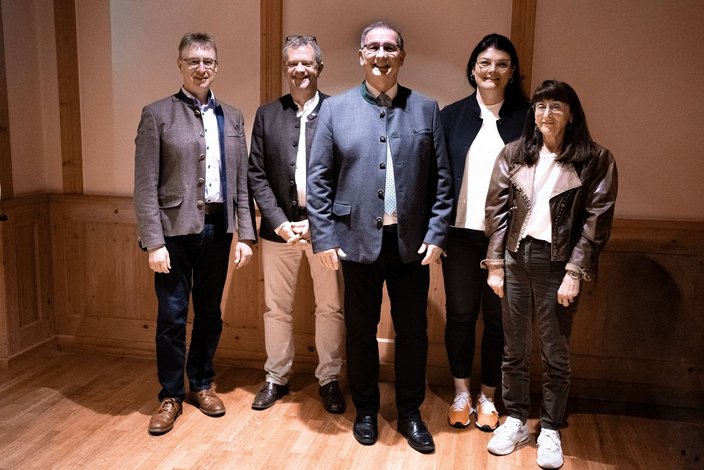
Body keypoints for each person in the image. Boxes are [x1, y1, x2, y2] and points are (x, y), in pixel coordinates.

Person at [307, 21, 452, 454]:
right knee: (359, 331)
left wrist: (437, 233)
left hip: (412, 245)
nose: (381, 55)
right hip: (354, 242)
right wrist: (324, 238)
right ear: (361, 56)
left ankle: (410, 413)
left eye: (390, 48)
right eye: (373, 48)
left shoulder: (426, 109)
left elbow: (442, 181)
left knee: (413, 334)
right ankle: (366, 409)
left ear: (401, 56)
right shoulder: (335, 110)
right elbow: (318, 180)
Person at [483, 80, 618, 469]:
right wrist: (495, 264)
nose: (546, 114)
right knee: (514, 348)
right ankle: (515, 420)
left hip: (557, 263)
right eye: (540, 107)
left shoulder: (595, 159)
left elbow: (596, 221)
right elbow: (496, 212)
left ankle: (551, 428)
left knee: (555, 350)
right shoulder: (514, 153)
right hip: (515, 257)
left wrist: (575, 271)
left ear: (571, 114)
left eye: (556, 106)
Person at [134, 32, 256, 435]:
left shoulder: (232, 116)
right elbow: (145, 185)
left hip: (219, 230)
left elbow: (241, 182)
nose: (201, 68)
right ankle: (170, 394)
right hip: (173, 234)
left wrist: (246, 235)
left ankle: (201, 383)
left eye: (208, 61)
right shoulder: (157, 114)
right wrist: (153, 242)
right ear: (180, 65)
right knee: (171, 317)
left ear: (216, 66)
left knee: (209, 313)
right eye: (193, 61)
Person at [248, 35, 345, 413]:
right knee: (276, 308)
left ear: (319, 67)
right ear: (285, 68)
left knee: (330, 307)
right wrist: (278, 222)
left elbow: (348, 174)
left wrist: (318, 223)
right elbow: (256, 174)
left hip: (326, 231)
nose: (299, 69)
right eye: (292, 63)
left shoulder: (338, 111)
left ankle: (330, 379)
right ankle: (276, 376)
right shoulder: (267, 114)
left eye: (306, 63)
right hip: (279, 233)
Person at [440, 33, 530, 431]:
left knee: (498, 321)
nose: (492, 70)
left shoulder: (527, 118)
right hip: (459, 234)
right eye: (485, 62)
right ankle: (461, 392)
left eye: (502, 64)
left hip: (507, 240)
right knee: (460, 315)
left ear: (512, 72)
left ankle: (488, 396)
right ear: (473, 68)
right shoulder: (451, 116)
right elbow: (437, 179)